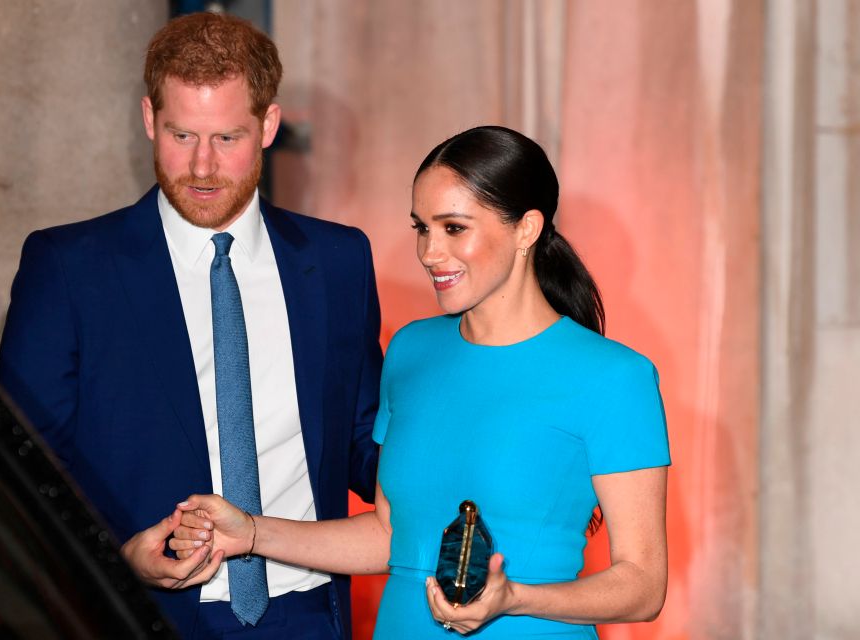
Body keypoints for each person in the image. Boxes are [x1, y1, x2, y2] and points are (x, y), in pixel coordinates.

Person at [168, 126, 670, 638]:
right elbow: (391, 536)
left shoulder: (615, 378)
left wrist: (514, 598)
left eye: (453, 228)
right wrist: (250, 533)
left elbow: (643, 584)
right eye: (421, 228)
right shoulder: (411, 350)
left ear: (527, 229)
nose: (429, 252)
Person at [0, 12, 382, 639]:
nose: (202, 167)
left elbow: (363, 438)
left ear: (268, 127)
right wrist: (117, 558)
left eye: (227, 138)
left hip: (307, 613)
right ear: (150, 119)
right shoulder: (67, 268)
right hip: (140, 615)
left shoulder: (337, 261)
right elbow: (17, 465)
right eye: (181, 135)